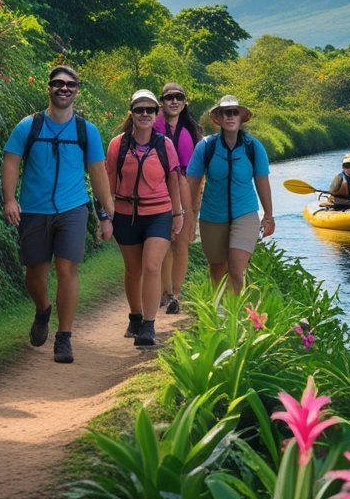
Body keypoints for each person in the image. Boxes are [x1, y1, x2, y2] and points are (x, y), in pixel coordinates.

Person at [1, 65, 113, 364]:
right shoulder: (29, 126)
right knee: (34, 274)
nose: (64, 89)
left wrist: (106, 215)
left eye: (70, 85)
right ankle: (43, 309)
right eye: (58, 83)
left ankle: (64, 337)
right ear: (48, 87)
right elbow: (11, 161)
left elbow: (99, 174)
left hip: (73, 209)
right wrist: (10, 199)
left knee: (67, 271)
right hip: (34, 209)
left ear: (77, 90)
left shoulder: (85, 130)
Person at [107, 89, 183, 347]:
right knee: (133, 270)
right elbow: (108, 181)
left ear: (156, 114)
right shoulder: (118, 144)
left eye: (150, 110)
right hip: (125, 215)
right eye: (139, 110)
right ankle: (135, 316)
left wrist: (178, 213)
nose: (145, 114)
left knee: (152, 266)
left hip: (158, 214)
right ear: (132, 114)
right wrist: (105, 215)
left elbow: (174, 180)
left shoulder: (164, 144)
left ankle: (149, 326)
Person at [187, 95, 275, 293]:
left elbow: (262, 183)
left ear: (241, 117)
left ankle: (234, 316)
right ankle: (219, 314)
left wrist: (268, 216)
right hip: (212, 215)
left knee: (236, 268)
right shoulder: (206, 147)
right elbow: (191, 183)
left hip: (245, 214)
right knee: (217, 269)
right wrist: (190, 215)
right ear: (218, 118)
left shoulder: (253, 147)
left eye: (235, 112)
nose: (230, 116)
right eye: (226, 112)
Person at [154, 81, 201, 315]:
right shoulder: (151, 124)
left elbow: (197, 173)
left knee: (181, 244)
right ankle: (163, 291)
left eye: (178, 97)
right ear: (161, 102)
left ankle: (175, 294)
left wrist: (194, 204)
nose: (174, 101)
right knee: (163, 244)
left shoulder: (192, 132)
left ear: (185, 102)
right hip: (156, 190)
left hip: (184, 192)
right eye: (169, 97)